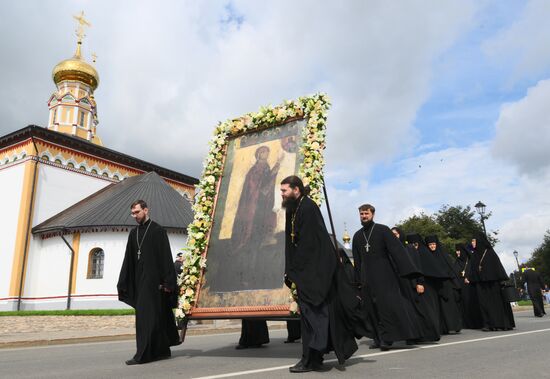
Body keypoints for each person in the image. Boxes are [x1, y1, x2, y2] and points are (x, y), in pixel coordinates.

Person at [281, 176, 357, 373]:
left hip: (314, 273)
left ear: (296, 190)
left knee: (314, 317)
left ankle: (311, 360)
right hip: (304, 271)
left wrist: (300, 270)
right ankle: (312, 359)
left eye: (284, 190)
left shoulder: (308, 207)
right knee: (309, 319)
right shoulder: (292, 208)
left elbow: (312, 244)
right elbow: (291, 243)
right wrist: (290, 269)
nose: (282, 194)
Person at [117, 200, 181, 365]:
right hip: (140, 282)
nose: (134, 216)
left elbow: (165, 257)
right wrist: (124, 281)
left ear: (146, 210)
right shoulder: (133, 233)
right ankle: (161, 351)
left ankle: (143, 355)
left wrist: (168, 283)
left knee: (149, 318)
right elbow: (128, 259)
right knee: (152, 317)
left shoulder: (158, 231)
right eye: (132, 213)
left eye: (137, 212)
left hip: (155, 282)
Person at [352, 205, 422, 351]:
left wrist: (409, 271)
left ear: (373, 214)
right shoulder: (357, 236)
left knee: (386, 307)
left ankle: (387, 338)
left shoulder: (383, 230)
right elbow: (357, 261)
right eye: (361, 214)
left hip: (385, 275)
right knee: (371, 309)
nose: (364, 216)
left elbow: (397, 251)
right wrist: (358, 280)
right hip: (367, 278)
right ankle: (378, 338)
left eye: (366, 213)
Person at [392, 228, 440, 342]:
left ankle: (427, 334)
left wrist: (420, 282)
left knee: (419, 310)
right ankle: (411, 336)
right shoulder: (392, 250)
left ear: (400, 235)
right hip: (399, 285)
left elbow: (417, 266)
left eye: (395, 234)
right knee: (406, 311)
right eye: (391, 235)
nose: (393, 236)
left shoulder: (409, 248)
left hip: (412, 283)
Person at [465, 233, 515, 331]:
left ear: (479, 241)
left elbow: (497, 269)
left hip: (493, 285)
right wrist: (470, 278)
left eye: (473, 241)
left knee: (496, 304)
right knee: (484, 305)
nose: (472, 243)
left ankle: (500, 323)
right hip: (481, 285)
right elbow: (473, 270)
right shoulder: (475, 255)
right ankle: (489, 324)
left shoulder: (490, 253)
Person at [424, 235, 462, 334]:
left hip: (446, 284)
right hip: (435, 285)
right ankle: (444, 328)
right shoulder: (428, 257)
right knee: (440, 308)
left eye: (433, 244)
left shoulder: (443, 255)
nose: (432, 246)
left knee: (449, 306)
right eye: (430, 245)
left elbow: (450, 269)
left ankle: (455, 326)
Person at [453, 243, 483, 329]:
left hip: (470, 287)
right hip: (461, 287)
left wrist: (469, 278)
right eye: (456, 251)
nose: (457, 253)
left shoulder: (471, 261)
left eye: (459, 250)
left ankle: (476, 323)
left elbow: (475, 272)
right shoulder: (456, 262)